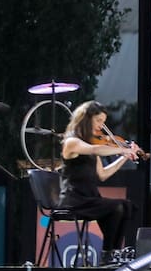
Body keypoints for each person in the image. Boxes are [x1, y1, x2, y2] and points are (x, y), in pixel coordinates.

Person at [60, 101, 141, 262]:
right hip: (74, 200)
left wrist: (125, 157)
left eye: (103, 122)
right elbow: (95, 150)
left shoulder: (91, 143)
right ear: (86, 119)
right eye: (98, 121)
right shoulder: (72, 142)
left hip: (90, 198)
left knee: (124, 205)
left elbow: (103, 174)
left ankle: (113, 252)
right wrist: (123, 149)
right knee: (116, 207)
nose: (101, 126)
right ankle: (108, 254)